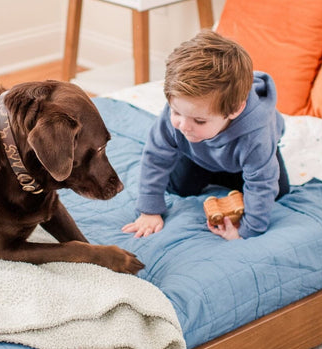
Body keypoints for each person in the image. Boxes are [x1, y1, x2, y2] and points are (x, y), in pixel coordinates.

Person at [121, 31, 289, 241]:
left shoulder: (257, 134)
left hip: (243, 158)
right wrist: (149, 210)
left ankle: (231, 178)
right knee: (178, 188)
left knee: (278, 191)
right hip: (198, 155)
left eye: (199, 121)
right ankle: (213, 172)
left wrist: (247, 231)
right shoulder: (181, 115)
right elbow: (156, 157)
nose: (183, 125)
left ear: (235, 110)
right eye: (175, 112)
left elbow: (262, 183)